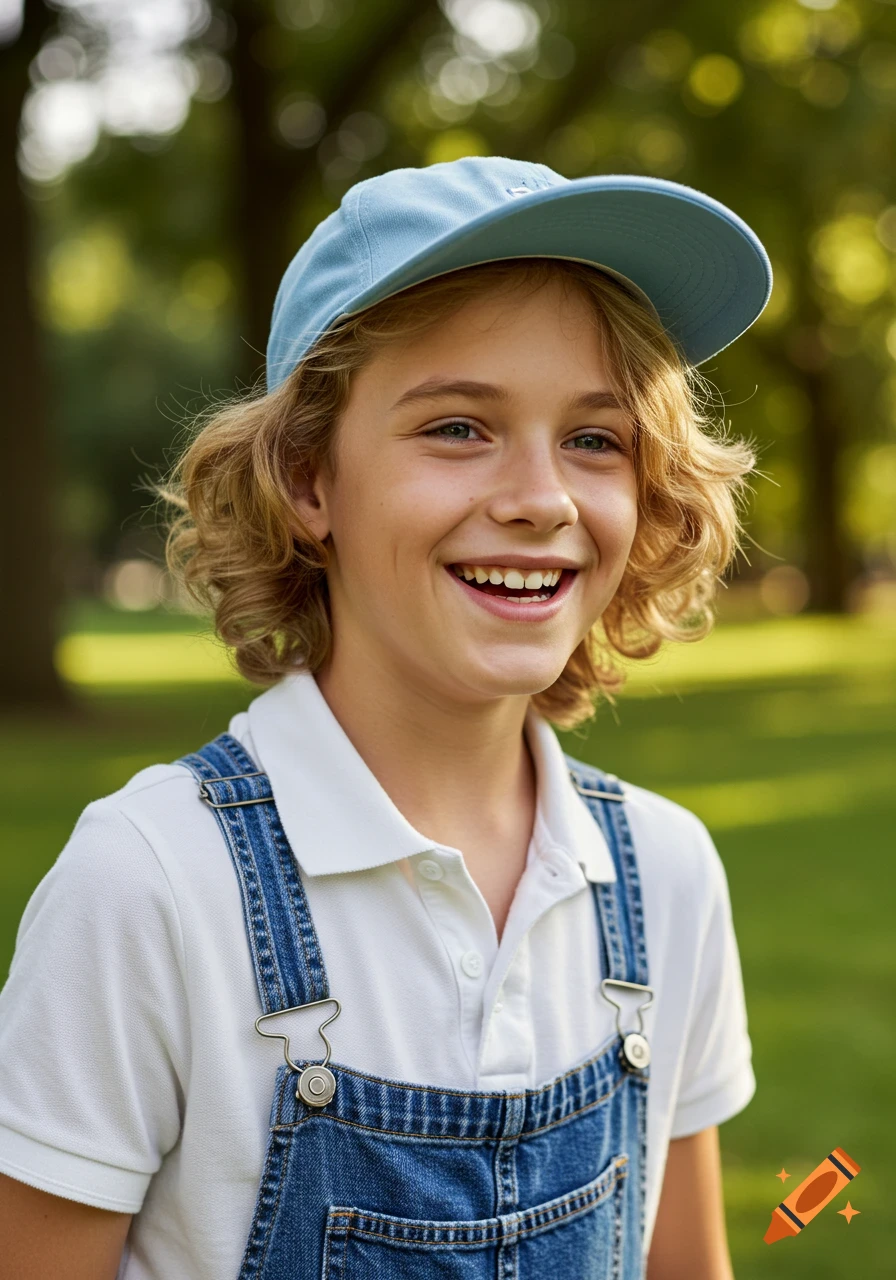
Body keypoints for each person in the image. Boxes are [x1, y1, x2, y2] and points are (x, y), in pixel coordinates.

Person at [0, 157, 771, 1279]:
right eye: (458, 426)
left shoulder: (663, 876)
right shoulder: (153, 883)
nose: (540, 496)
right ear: (308, 479)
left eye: (593, 438)